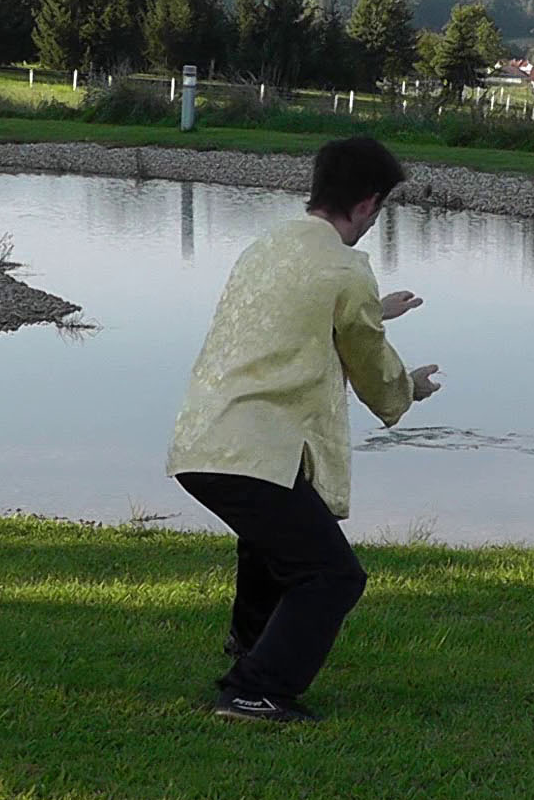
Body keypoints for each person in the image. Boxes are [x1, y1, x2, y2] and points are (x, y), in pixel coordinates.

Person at [167, 136, 441, 723]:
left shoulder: (266, 246)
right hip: (257, 444)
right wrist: (407, 389)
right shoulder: (347, 267)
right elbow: (367, 360)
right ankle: (256, 689)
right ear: (368, 204)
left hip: (205, 436)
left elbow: (296, 316)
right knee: (332, 575)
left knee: (271, 546)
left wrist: (375, 308)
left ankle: (249, 650)